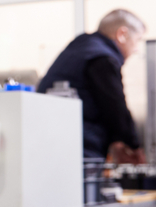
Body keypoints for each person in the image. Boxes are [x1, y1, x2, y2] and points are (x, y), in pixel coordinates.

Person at [37, 9, 146, 164]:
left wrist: (116, 140)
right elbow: (114, 105)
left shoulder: (80, 48)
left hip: (50, 142)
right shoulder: (101, 57)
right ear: (122, 34)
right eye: (138, 40)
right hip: (81, 146)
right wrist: (134, 146)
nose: (136, 49)